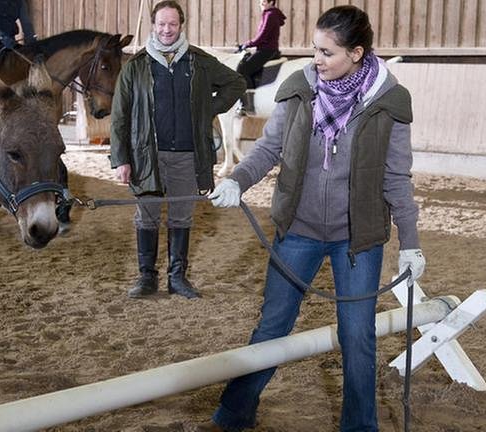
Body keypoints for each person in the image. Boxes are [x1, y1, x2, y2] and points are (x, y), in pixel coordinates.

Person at [203, 5, 425, 431]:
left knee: (357, 337)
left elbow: (396, 177)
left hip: (357, 241)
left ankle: (359, 427)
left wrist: (411, 242)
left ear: (357, 53)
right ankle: (234, 413)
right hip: (298, 232)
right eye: (314, 50)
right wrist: (237, 180)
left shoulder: (390, 101)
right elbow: (269, 149)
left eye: (327, 53)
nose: (316, 61)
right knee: (273, 326)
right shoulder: (298, 88)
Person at [110, 0, 245, 299]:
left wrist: (206, 109)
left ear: (181, 26)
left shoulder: (198, 61)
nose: (167, 29)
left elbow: (235, 83)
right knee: (146, 217)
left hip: (187, 156)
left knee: (182, 216)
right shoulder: (135, 67)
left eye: (173, 24)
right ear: (154, 26)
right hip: (148, 158)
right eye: (162, 24)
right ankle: (146, 278)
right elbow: (119, 116)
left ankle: (177, 277)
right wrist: (121, 159)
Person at [236, 0, 286, 115]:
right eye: (260, 2)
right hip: (266, 49)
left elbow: (262, 36)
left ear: (271, 2)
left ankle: (247, 105)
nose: (261, 4)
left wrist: (246, 44)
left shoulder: (271, 15)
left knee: (243, 69)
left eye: (263, 1)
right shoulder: (270, 14)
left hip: (267, 51)